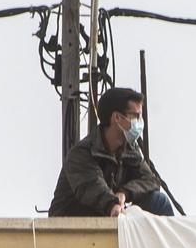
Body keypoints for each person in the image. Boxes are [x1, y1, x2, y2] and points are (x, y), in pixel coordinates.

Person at [49, 87, 180, 218]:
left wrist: (125, 193)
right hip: (75, 225)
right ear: (117, 117)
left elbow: (151, 181)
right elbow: (93, 187)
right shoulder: (82, 153)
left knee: (158, 201)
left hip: (110, 216)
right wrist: (113, 203)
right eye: (135, 116)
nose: (139, 123)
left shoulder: (129, 150)